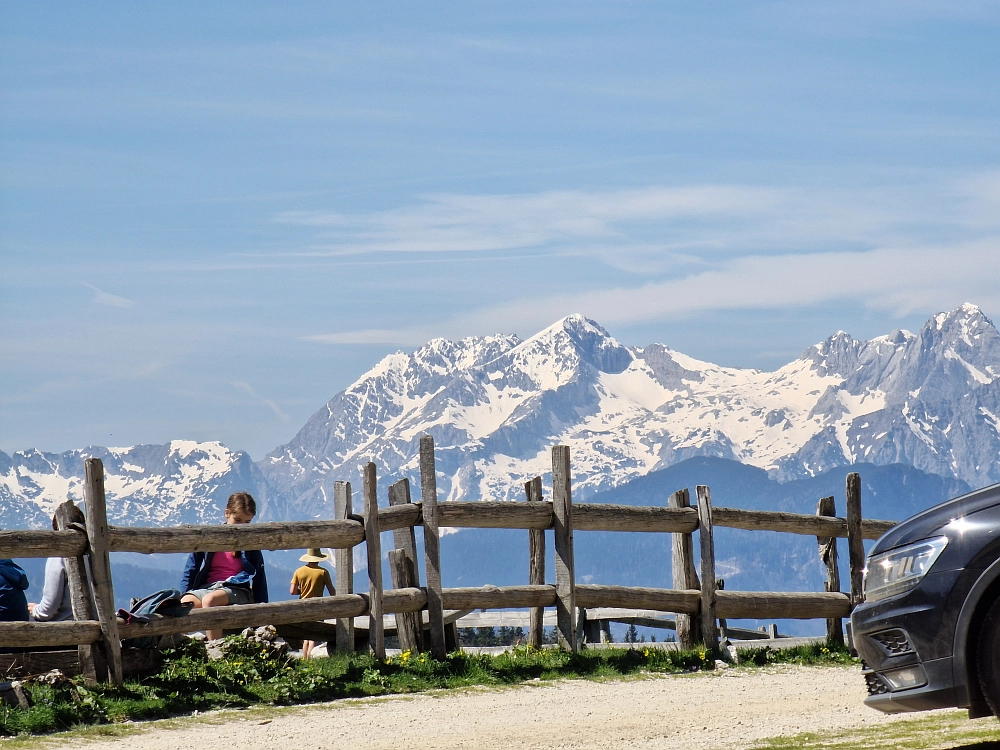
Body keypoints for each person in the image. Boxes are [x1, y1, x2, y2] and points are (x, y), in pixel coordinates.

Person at [180, 492, 268, 641]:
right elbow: (191, 568)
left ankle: (216, 649)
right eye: (238, 520)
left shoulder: (251, 544)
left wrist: (263, 611)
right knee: (183, 605)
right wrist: (183, 593)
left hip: (236, 589)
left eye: (247, 522)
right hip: (207, 588)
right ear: (227, 514)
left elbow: (259, 577)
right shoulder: (210, 538)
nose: (241, 527)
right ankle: (180, 650)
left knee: (209, 601)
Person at [290, 548, 335, 658]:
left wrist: (303, 591)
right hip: (318, 605)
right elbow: (332, 591)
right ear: (319, 559)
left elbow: (292, 591)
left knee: (306, 635)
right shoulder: (323, 572)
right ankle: (310, 660)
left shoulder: (299, 571)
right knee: (313, 636)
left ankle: (305, 659)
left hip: (302, 605)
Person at [28, 515, 74, 623]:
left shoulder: (59, 556)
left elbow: (48, 610)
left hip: (67, 627)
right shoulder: (96, 555)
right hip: (96, 623)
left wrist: (34, 609)